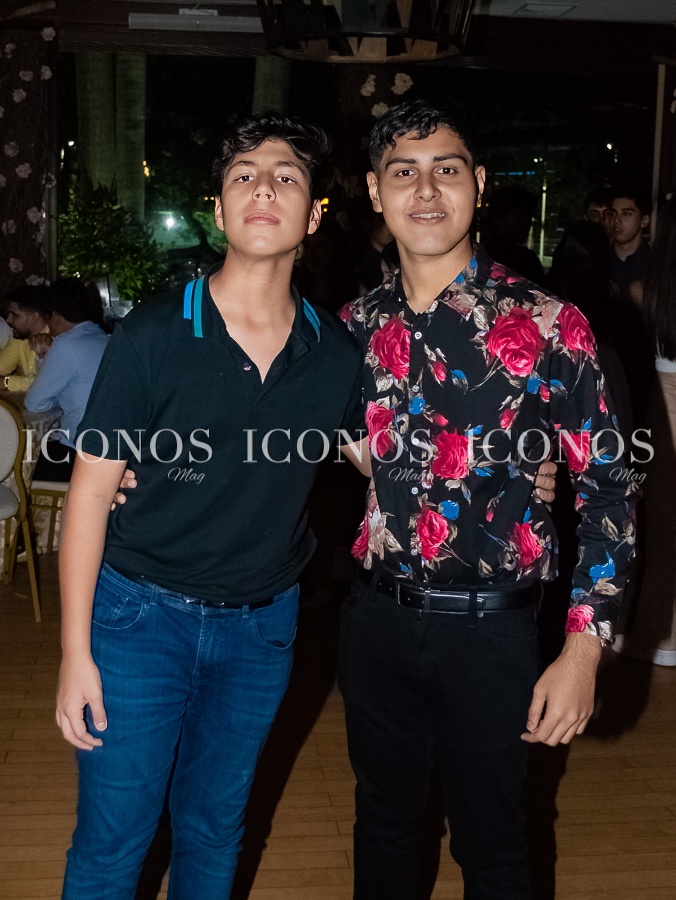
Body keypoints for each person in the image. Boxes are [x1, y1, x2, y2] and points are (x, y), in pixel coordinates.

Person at [55, 113, 368, 899]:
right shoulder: (154, 333)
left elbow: (388, 461)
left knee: (215, 828)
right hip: (137, 621)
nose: (264, 187)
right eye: (243, 176)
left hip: (262, 630)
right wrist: (74, 652)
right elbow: (88, 495)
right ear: (219, 209)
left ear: (314, 216)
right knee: (114, 840)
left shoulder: (336, 353)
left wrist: (522, 471)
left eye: (286, 177)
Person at [338, 99, 638, 900]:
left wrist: (583, 651)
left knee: (495, 845)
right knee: (382, 829)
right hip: (376, 621)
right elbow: (286, 432)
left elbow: (610, 492)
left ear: (477, 184)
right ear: (374, 190)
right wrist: (137, 473)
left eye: (446, 169)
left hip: (492, 631)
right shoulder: (350, 327)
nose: (425, 189)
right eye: (403, 171)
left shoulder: (550, 324)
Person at [614, 196, 676, 666]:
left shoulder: (641, 291)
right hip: (660, 404)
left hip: (660, 405)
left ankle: (655, 635)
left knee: (658, 527)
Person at [25, 278, 109, 482]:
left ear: (55, 317)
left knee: (22, 463)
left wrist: (45, 357)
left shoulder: (67, 344)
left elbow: (34, 402)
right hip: (113, 447)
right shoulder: (105, 339)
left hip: (79, 454)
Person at [481, 185, 546, 285]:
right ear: (498, 219)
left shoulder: (478, 257)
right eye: (519, 216)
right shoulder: (526, 260)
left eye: (529, 216)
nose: (527, 222)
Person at [0, 285, 51, 391]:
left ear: (34, 316)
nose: (8, 320)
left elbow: (47, 382)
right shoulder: (20, 339)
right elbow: (1, 366)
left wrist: (7, 382)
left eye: (15, 315)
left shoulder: (56, 339)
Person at [606, 187, 651, 293]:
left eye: (626, 214)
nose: (616, 220)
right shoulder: (598, 260)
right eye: (612, 214)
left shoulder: (655, 264)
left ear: (644, 221)